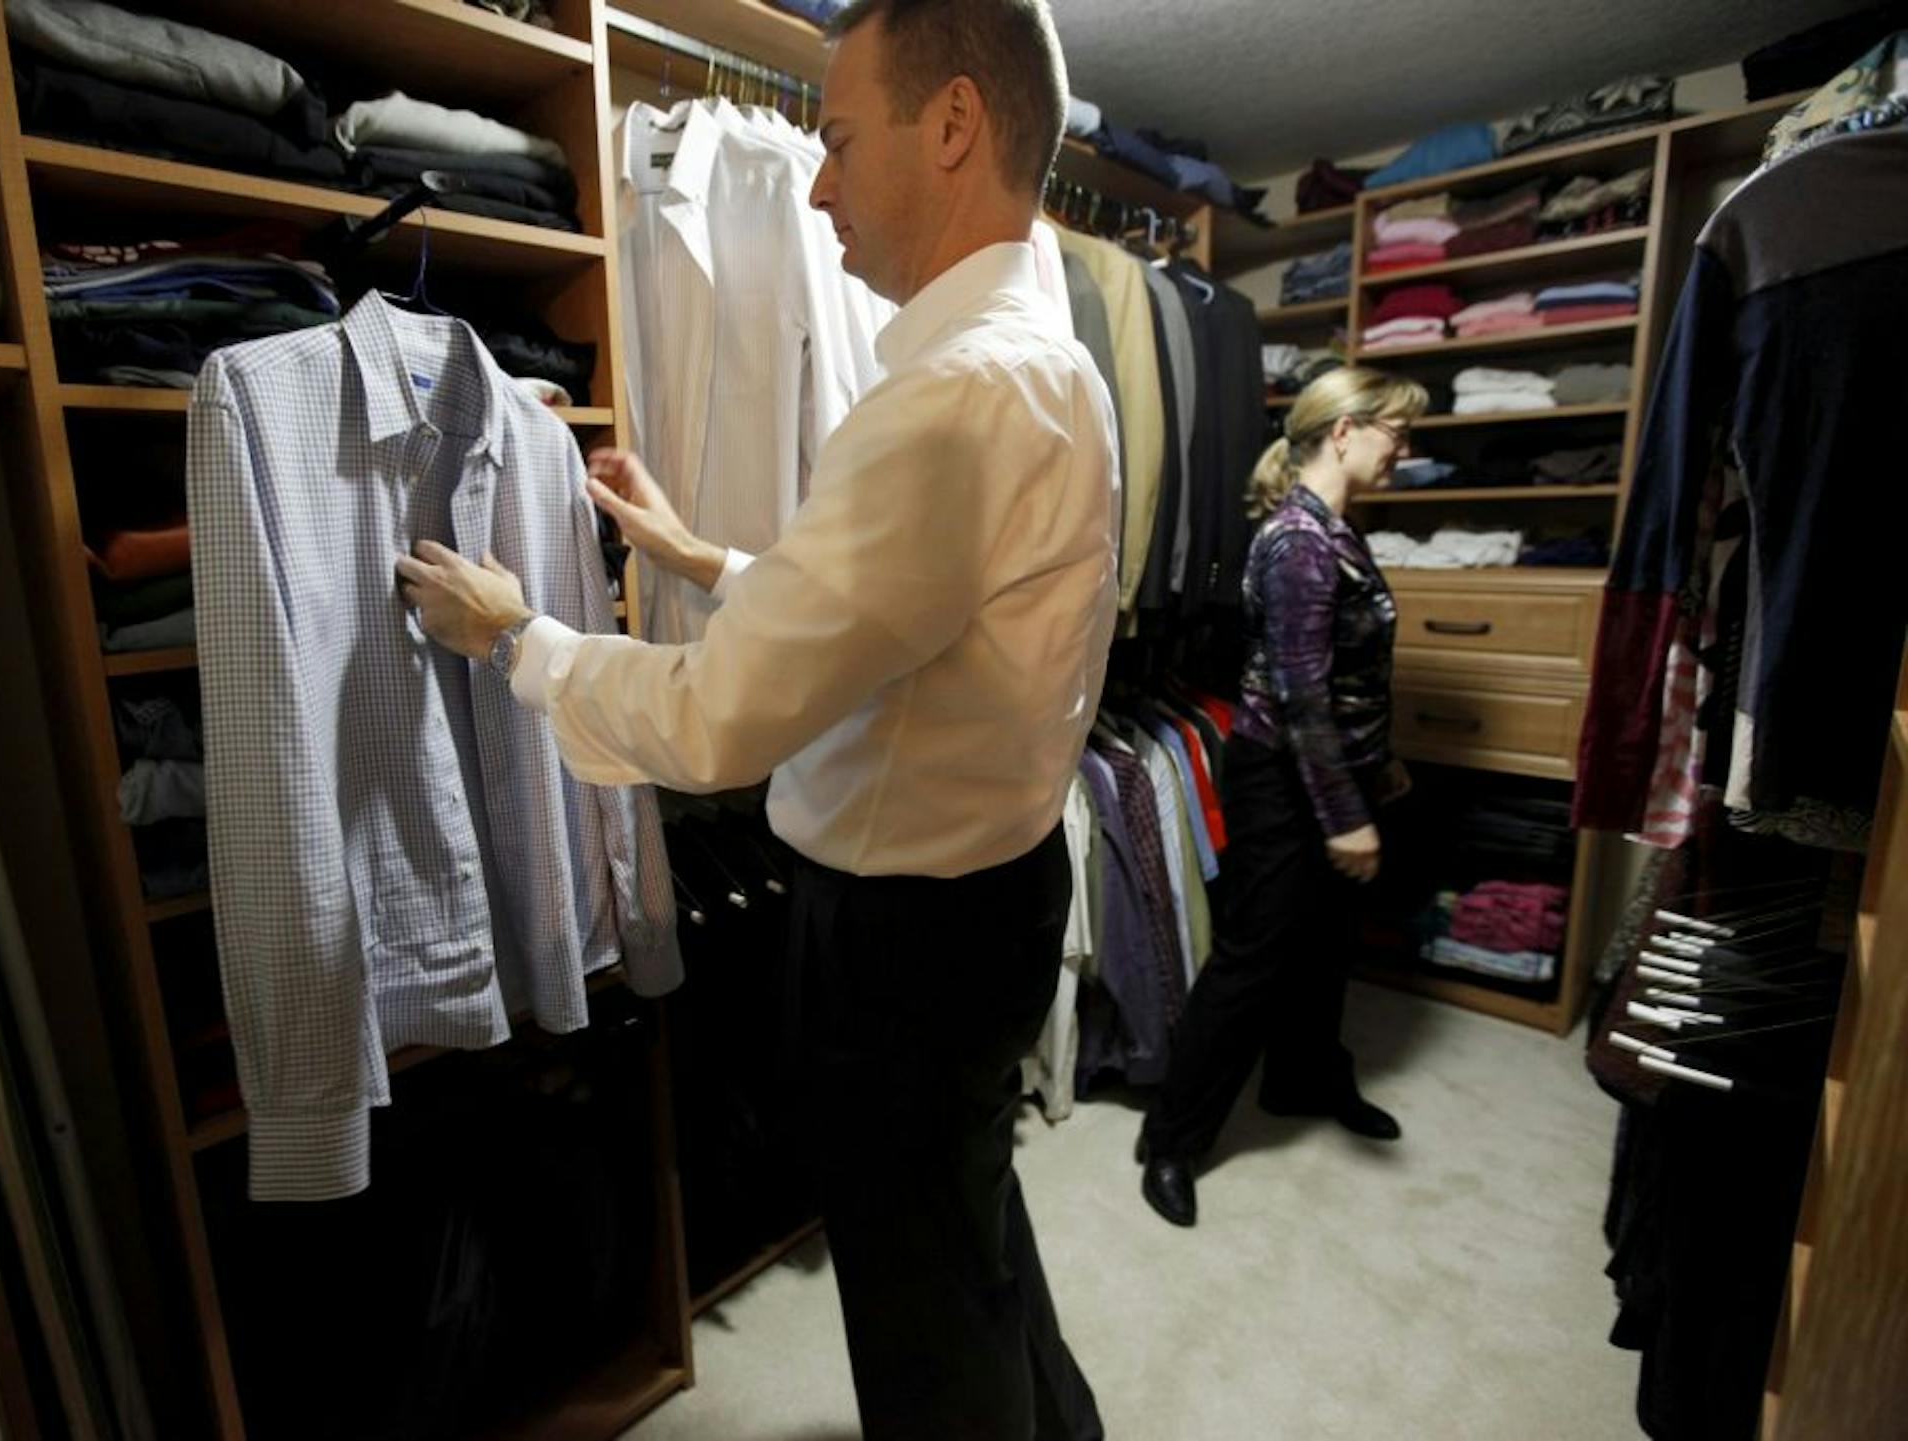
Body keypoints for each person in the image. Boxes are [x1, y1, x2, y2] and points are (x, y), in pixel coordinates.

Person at [393, 1, 1113, 1434]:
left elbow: (722, 721)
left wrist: (512, 634)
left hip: (907, 936)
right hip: (994, 897)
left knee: (919, 1314)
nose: (824, 185)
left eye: (840, 140)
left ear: (953, 125)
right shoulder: (1047, 355)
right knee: (969, 1232)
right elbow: (908, 616)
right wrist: (699, 557)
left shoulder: (953, 398)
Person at [1136, 366, 1428, 1229]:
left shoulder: (1333, 529)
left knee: (1325, 941)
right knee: (1253, 957)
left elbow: (1347, 673)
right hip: (1284, 779)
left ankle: (1304, 1077)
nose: (1404, 450)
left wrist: (1380, 764)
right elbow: (1300, 693)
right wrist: (1347, 814)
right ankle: (1170, 1139)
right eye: (1395, 433)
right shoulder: (1299, 541)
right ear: (1344, 431)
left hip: (1336, 766)